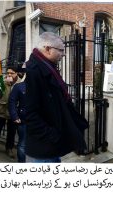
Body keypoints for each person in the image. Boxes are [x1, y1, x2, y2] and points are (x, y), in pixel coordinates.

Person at [26, 32, 88, 163]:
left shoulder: (49, 67)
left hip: (53, 143)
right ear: (48, 49)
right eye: (61, 50)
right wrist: (51, 135)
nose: (64, 54)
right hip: (45, 145)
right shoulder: (33, 71)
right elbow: (29, 113)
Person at [0, 66, 21, 159]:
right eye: (8, 72)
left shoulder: (20, 83)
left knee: (11, 132)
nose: (9, 74)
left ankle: (9, 148)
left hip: (13, 112)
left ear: (16, 73)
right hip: (1, 109)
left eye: (12, 73)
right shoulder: (2, 81)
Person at [8, 73, 26, 162]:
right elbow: (12, 102)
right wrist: (15, 116)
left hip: (39, 121)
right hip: (24, 120)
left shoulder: (41, 86)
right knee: (23, 144)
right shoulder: (19, 86)